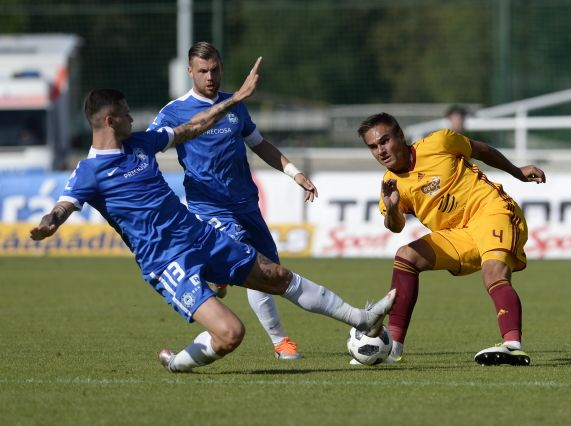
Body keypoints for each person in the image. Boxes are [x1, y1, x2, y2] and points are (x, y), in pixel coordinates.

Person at [29, 61, 396, 374]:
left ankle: (361, 319)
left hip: (199, 235)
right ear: (109, 120)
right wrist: (51, 221)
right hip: (166, 261)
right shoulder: (89, 171)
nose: (131, 116)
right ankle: (176, 363)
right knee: (231, 334)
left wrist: (234, 100)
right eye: (125, 113)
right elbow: (64, 204)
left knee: (276, 274)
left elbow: (191, 127)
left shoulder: (141, 143)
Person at [148, 42, 316, 360]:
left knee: (270, 271)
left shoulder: (234, 105)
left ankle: (218, 278)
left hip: (246, 204)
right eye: (202, 71)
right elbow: (146, 147)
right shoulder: (173, 111)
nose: (210, 77)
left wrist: (294, 172)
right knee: (252, 261)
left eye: (215, 70)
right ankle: (281, 342)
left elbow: (259, 143)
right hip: (208, 208)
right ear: (190, 73)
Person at [357, 112, 546, 366]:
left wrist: (516, 171)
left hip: (491, 212)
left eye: (385, 141)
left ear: (400, 136)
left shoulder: (439, 143)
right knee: (406, 256)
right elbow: (396, 227)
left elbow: (481, 149)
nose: (380, 150)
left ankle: (512, 345)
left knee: (493, 272)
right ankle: (393, 348)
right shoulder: (390, 184)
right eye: (373, 147)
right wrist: (392, 208)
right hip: (458, 234)